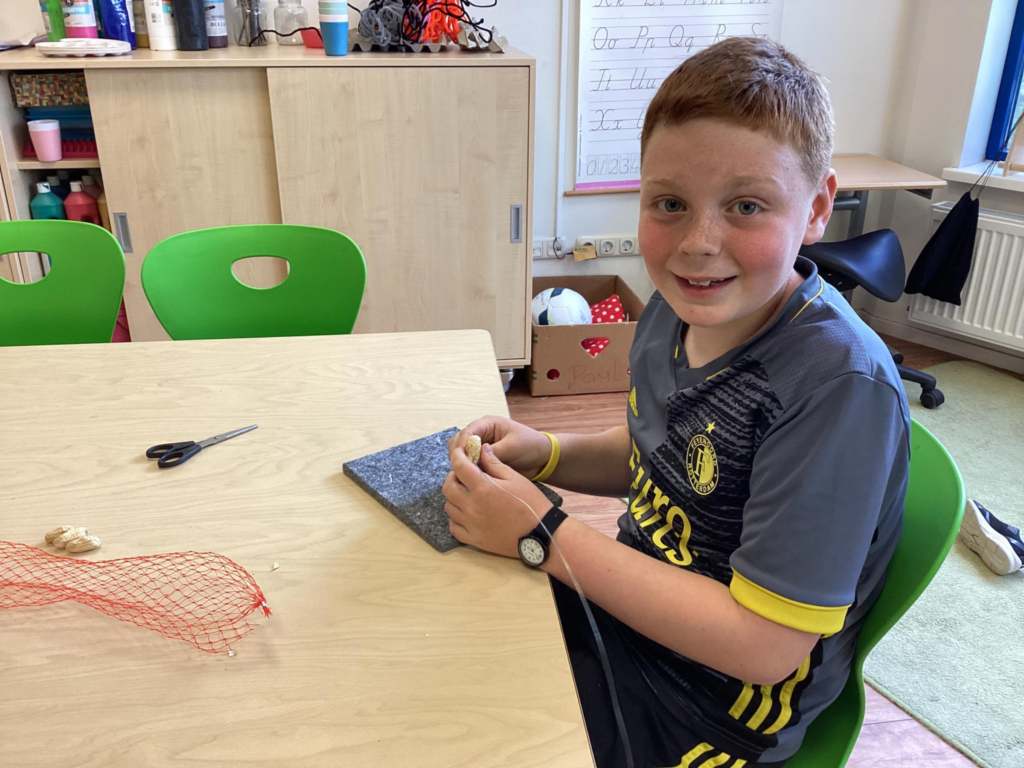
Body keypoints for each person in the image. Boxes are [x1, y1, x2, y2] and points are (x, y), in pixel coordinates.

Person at [442, 36, 910, 768]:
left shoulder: (835, 387)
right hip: (630, 616)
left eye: (747, 206)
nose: (697, 243)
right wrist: (549, 455)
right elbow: (661, 451)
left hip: (713, 707)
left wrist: (545, 532)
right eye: (669, 203)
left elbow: (765, 646)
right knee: (440, 645)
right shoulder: (677, 308)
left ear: (818, 206)